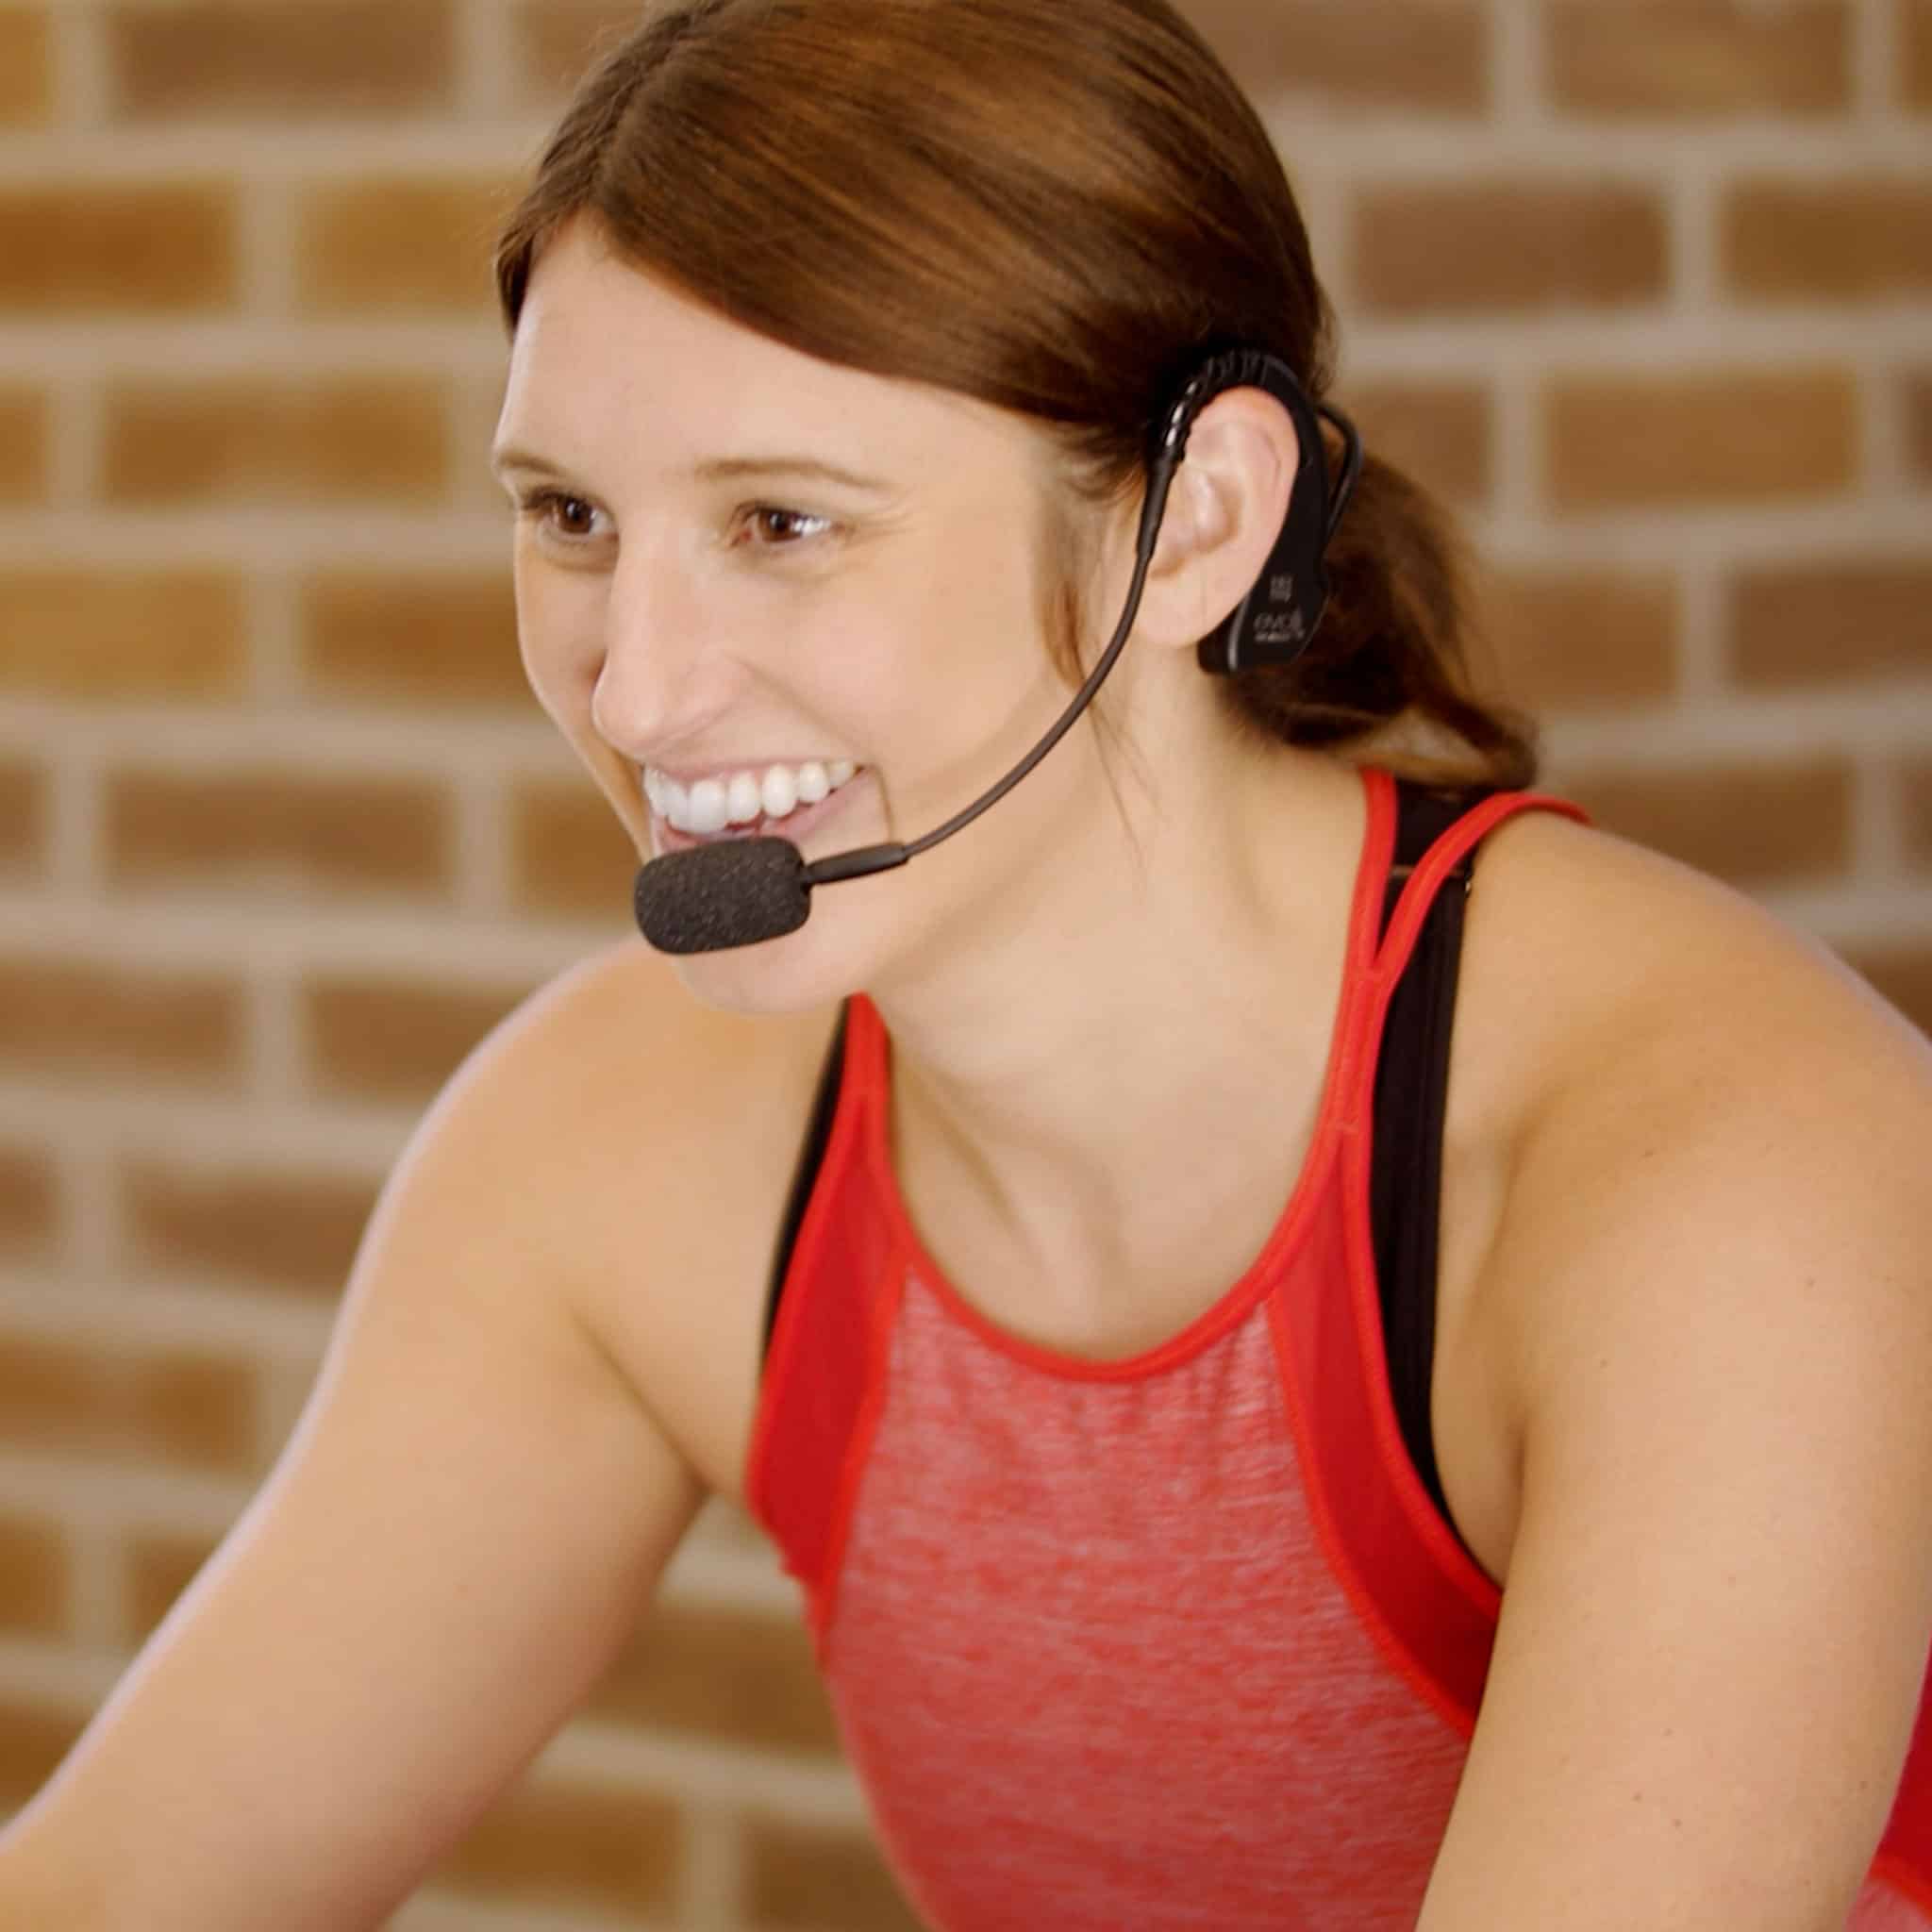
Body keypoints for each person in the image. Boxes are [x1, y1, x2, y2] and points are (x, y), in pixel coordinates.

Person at [3, 0, 1930, 1925]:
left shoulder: (1733, 1168)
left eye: (783, 521)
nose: (636, 684)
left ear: (1199, 522)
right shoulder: (619, 1147)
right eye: (569, 516)